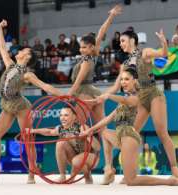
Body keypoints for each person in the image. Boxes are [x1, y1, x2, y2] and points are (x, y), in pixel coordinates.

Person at [99, 13, 178, 180]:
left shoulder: (144, 53)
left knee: (161, 132)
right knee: (131, 133)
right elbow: (116, 86)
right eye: (120, 41)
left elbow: (163, 53)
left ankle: (175, 169)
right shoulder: (124, 64)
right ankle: (129, 172)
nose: (120, 44)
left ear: (132, 40)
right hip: (139, 98)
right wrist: (102, 96)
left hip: (153, 94)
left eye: (123, 41)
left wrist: (164, 43)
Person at [82, 68, 178, 186]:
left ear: (135, 80)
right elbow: (108, 119)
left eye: (127, 79)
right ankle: (109, 169)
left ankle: (169, 181)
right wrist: (90, 131)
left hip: (129, 136)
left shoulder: (139, 96)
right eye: (121, 79)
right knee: (105, 133)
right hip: (120, 136)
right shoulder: (122, 101)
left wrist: (108, 96)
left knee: (131, 181)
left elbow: (128, 101)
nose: (123, 82)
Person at [0, 19, 63, 184]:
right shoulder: (10, 65)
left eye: (24, 50)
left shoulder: (27, 74)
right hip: (8, 105)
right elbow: (2, 46)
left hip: (21, 107)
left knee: (27, 138)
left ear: (27, 57)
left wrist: (65, 96)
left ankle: (32, 171)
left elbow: (46, 87)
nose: (20, 50)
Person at [67, 4, 122, 185]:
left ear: (91, 47)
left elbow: (78, 81)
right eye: (80, 47)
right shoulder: (93, 54)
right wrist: (111, 16)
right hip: (95, 93)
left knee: (78, 127)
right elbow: (101, 32)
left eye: (84, 47)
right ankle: (108, 167)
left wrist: (68, 95)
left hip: (84, 93)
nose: (81, 50)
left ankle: (84, 169)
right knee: (102, 129)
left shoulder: (87, 60)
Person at [31, 106, 100, 184]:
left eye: (66, 115)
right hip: (74, 159)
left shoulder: (82, 127)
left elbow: (97, 147)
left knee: (76, 160)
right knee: (60, 143)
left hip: (91, 158)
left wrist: (88, 135)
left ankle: (87, 175)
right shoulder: (61, 129)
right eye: (61, 115)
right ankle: (62, 176)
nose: (62, 118)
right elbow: (49, 132)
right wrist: (33, 130)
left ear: (74, 117)